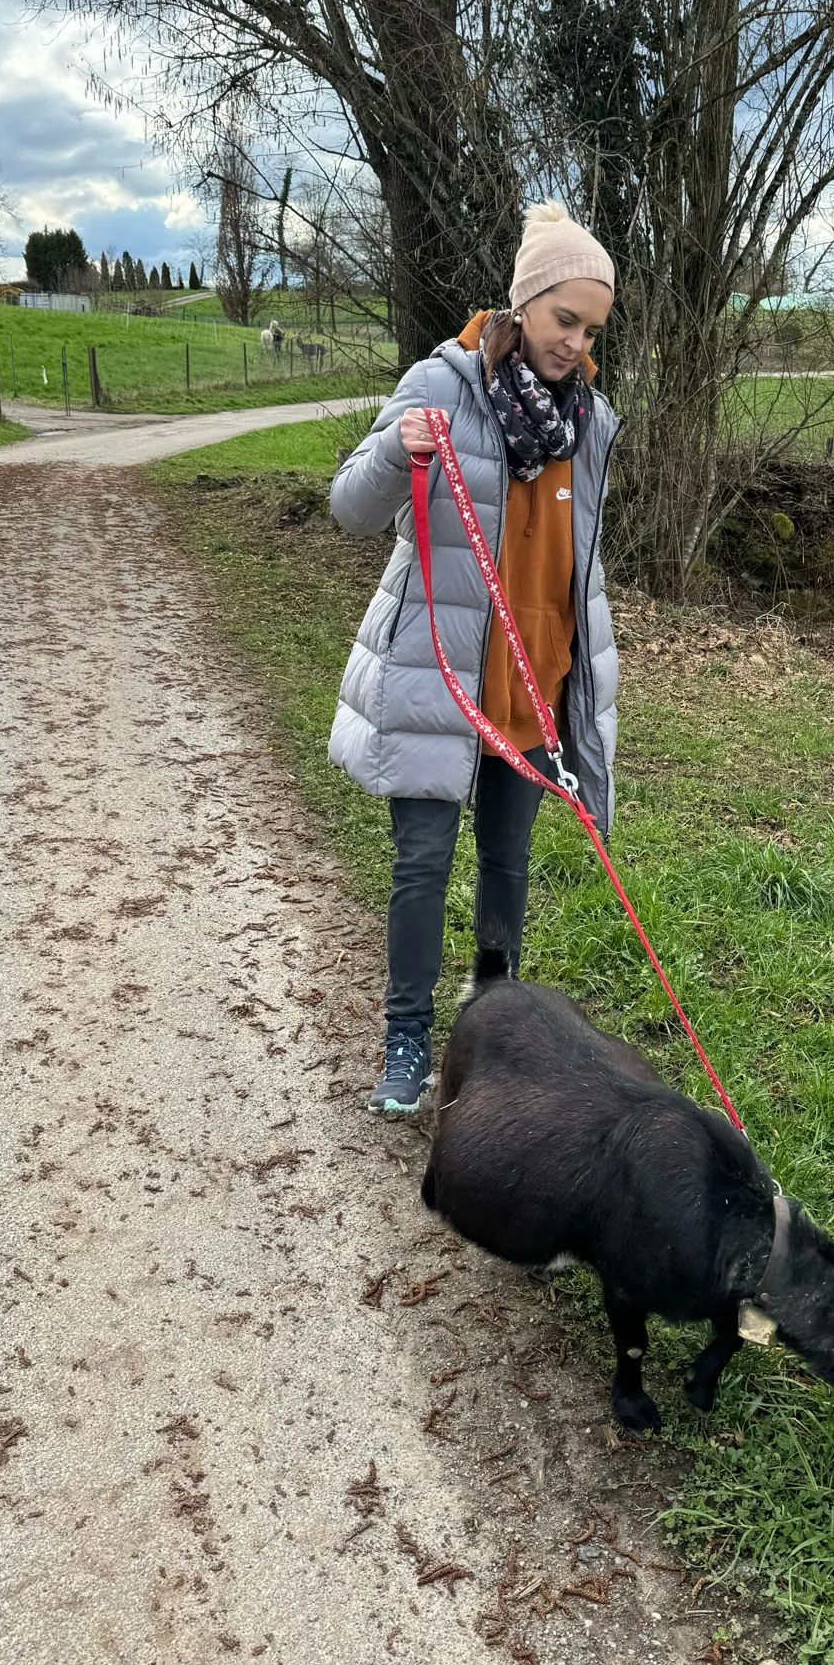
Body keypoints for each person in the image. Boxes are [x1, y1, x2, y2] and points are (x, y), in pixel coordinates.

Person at [328, 201, 621, 1116]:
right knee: (422, 864)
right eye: (563, 318)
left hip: (536, 683)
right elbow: (350, 507)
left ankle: (493, 1033)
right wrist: (393, 450)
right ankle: (406, 1038)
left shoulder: (591, 423)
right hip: (442, 677)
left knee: (507, 863)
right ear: (525, 302)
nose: (573, 341)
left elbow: (577, 564)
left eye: (590, 327)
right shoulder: (442, 385)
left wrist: (583, 681)